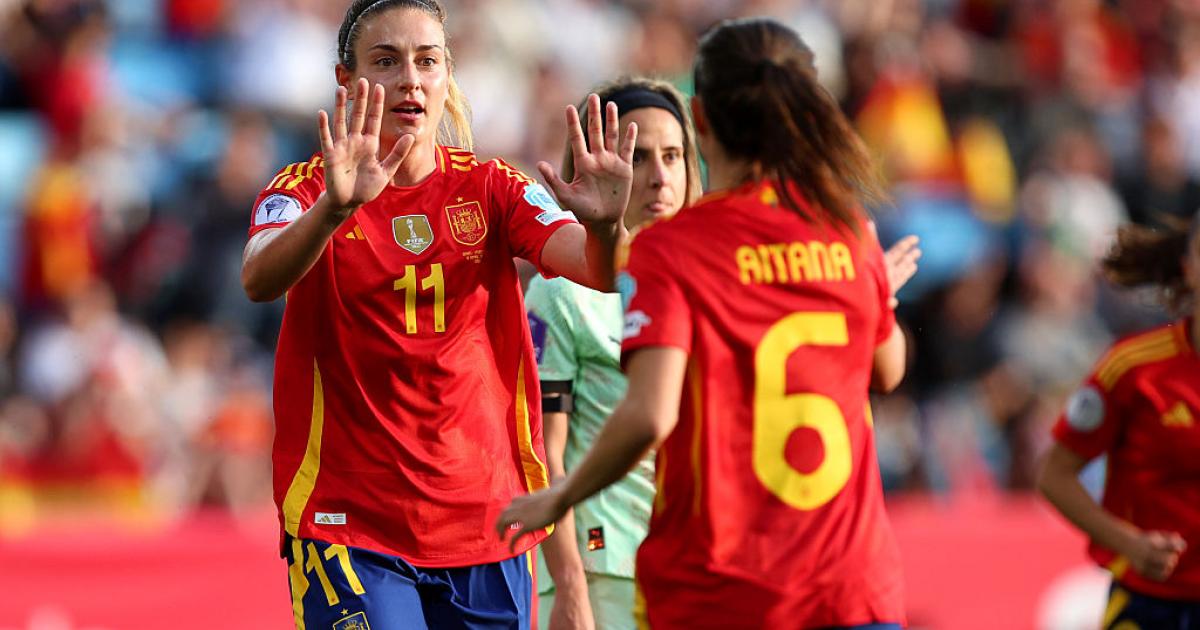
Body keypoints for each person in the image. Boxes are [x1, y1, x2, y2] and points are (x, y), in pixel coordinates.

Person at [498, 17, 911, 629]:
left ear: (703, 122)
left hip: (723, 585)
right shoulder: (844, 231)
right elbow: (889, 369)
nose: (660, 174)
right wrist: (878, 296)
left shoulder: (675, 248)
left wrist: (559, 497)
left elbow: (651, 413)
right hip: (849, 583)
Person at [239, 0, 639, 627]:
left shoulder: (492, 184)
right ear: (345, 80)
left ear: (447, 75)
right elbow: (259, 277)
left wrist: (608, 225)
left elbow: (599, 269)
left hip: (485, 518)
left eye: (427, 62)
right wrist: (333, 214)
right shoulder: (306, 188)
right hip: (352, 523)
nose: (410, 80)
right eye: (385, 61)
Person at [1037, 215, 1200, 630]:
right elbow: (1055, 477)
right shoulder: (1133, 369)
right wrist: (1130, 544)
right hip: (1148, 605)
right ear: (1188, 267)